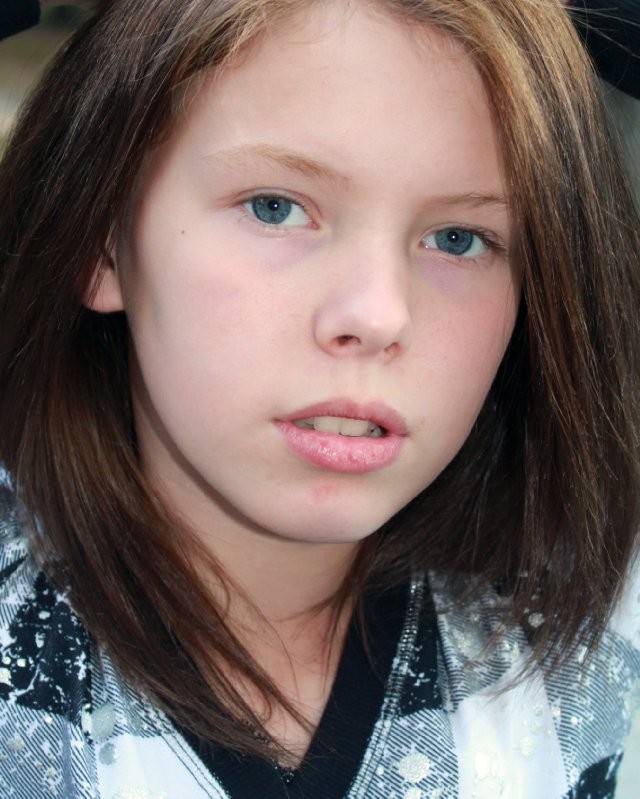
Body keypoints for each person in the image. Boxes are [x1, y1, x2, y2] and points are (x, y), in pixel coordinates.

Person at [0, 1, 639, 797]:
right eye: (276, 207)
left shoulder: (585, 630)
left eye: (458, 239)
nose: (378, 314)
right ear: (102, 240)